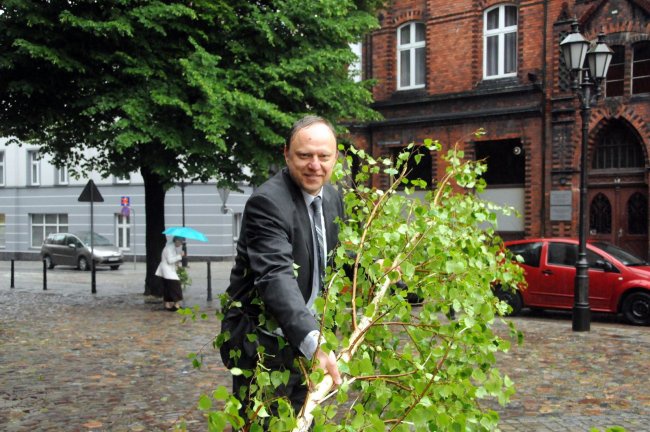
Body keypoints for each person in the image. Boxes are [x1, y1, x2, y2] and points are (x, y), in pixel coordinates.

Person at [219, 115, 344, 419]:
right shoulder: (267, 203)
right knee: (265, 423)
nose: (315, 165)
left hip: (306, 338)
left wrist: (391, 280)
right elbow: (276, 276)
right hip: (263, 345)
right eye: (304, 155)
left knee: (304, 420)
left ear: (335, 157)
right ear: (286, 153)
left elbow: (341, 257)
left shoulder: (332, 196)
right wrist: (313, 340)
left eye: (323, 156)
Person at [155, 236, 185, 311]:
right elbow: (170, 260)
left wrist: (177, 262)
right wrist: (179, 256)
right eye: (181, 242)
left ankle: (167, 304)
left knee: (168, 287)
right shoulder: (169, 248)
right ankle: (176, 304)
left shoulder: (172, 247)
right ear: (177, 241)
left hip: (168, 270)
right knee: (175, 286)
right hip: (167, 270)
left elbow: (172, 259)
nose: (181, 244)